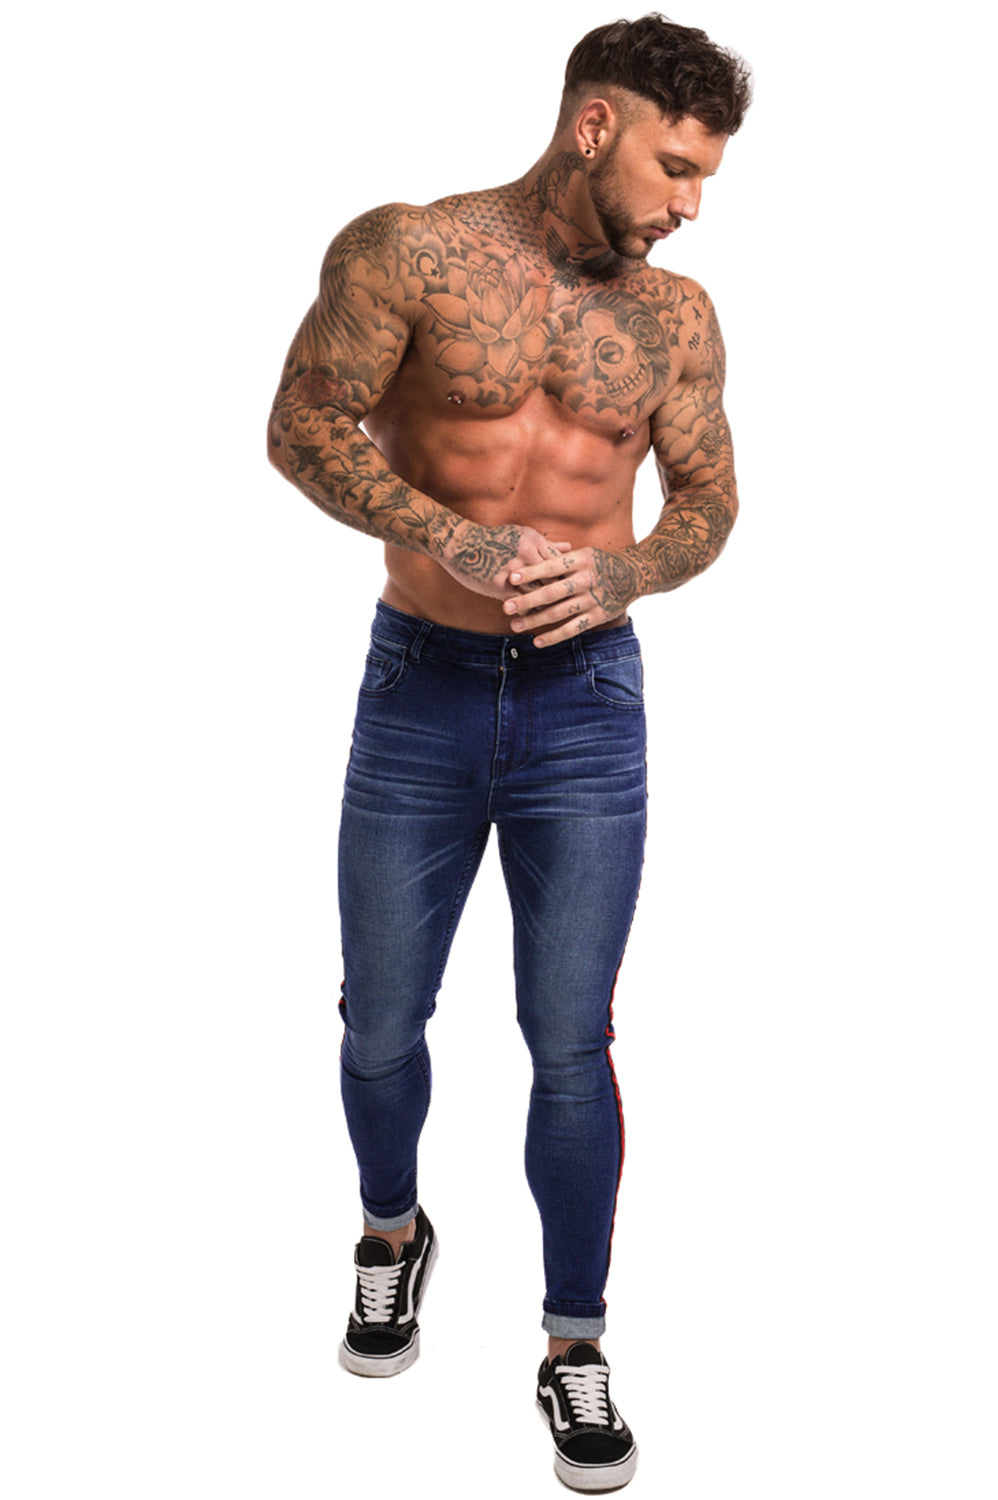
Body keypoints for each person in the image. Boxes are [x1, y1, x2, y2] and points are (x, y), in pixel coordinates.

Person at [268, 13, 751, 1490]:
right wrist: (451, 536)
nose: (691, 203)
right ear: (595, 127)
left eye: (707, 175)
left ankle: (572, 1341)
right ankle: (391, 1232)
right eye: (676, 166)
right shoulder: (408, 251)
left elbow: (709, 502)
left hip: (584, 705)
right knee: (379, 1021)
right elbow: (302, 424)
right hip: (417, 687)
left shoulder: (676, 319)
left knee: (570, 1043)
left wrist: (627, 573)